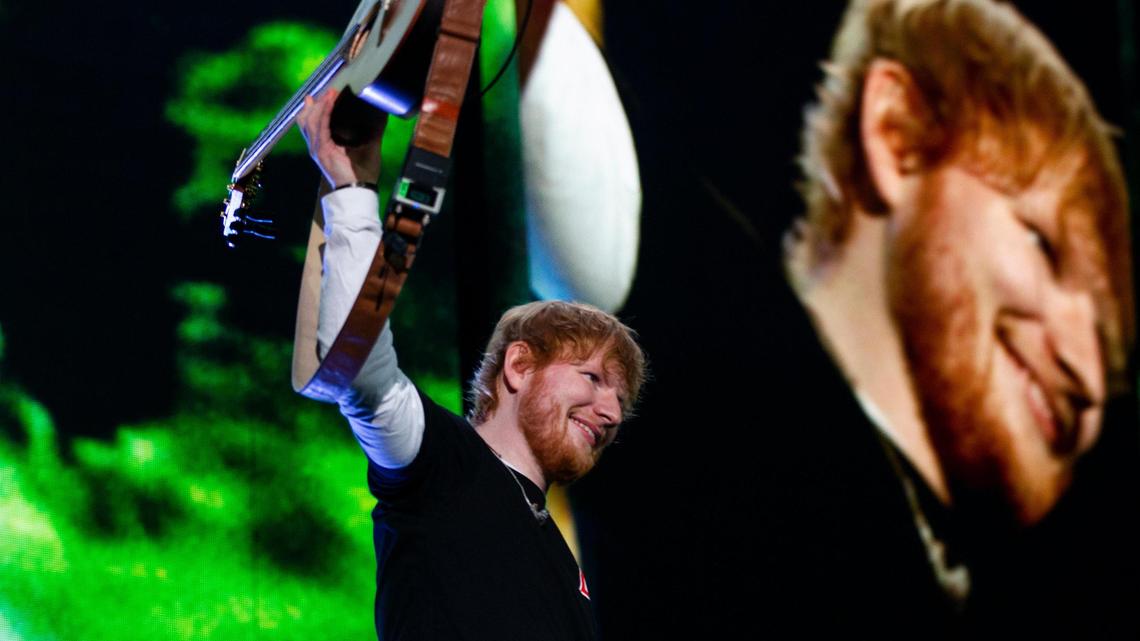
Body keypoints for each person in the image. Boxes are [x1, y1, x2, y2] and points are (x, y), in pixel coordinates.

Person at [296, 88, 647, 640]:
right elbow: (358, 369)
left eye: (621, 402)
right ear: (520, 366)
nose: (610, 412)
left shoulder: (560, 558)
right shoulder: (440, 463)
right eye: (593, 379)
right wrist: (352, 189)